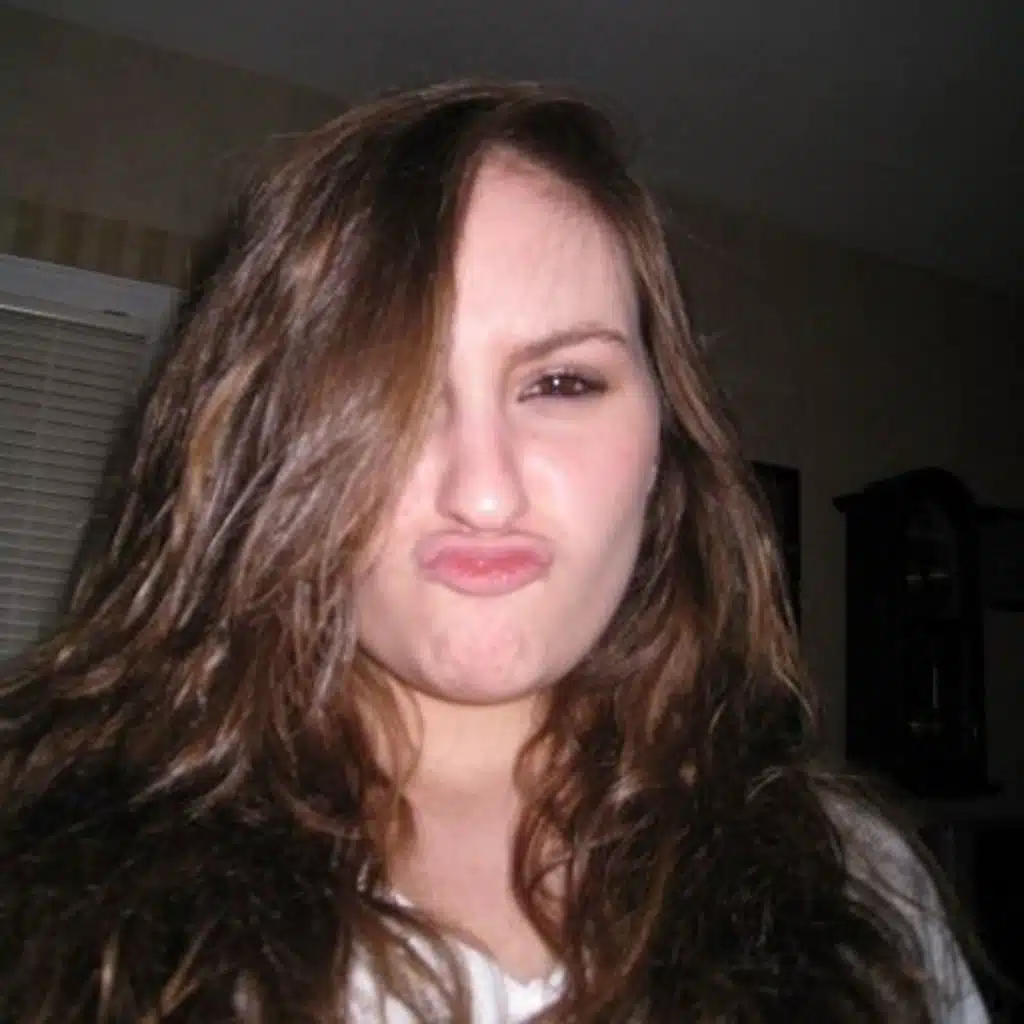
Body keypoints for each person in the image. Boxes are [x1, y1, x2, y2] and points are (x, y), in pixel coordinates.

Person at [0, 81, 989, 1023]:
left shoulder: (856, 879)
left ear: (665, 443)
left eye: (561, 383)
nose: (482, 493)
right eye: (390, 391)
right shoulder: (43, 867)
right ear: (264, 448)